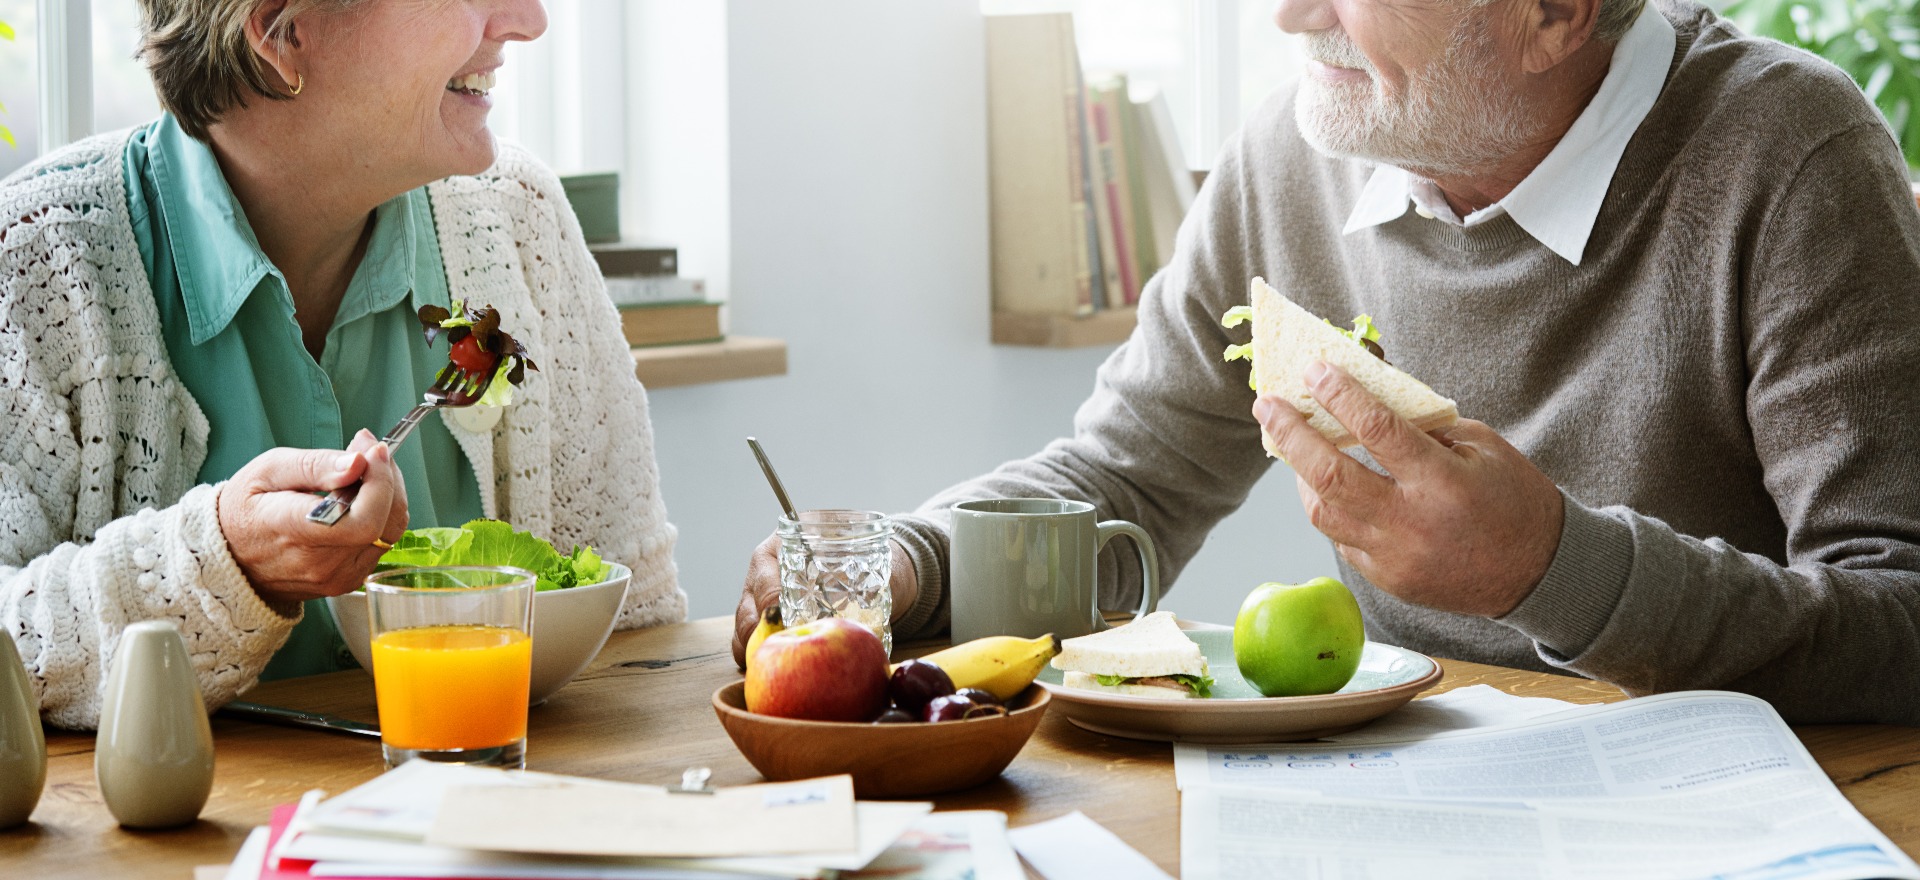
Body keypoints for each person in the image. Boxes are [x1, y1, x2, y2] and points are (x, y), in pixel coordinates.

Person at [735, 0, 1920, 724]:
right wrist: (911, 556)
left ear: (1556, 10)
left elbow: (1901, 622)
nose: (1291, 13)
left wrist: (1549, 567)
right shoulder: (1296, 152)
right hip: (1394, 793)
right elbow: (1127, 478)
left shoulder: (1792, 158)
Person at [0, 0, 685, 730]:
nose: (527, 19)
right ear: (281, 32)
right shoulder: (37, 262)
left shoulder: (520, 222)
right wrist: (222, 561)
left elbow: (636, 640)